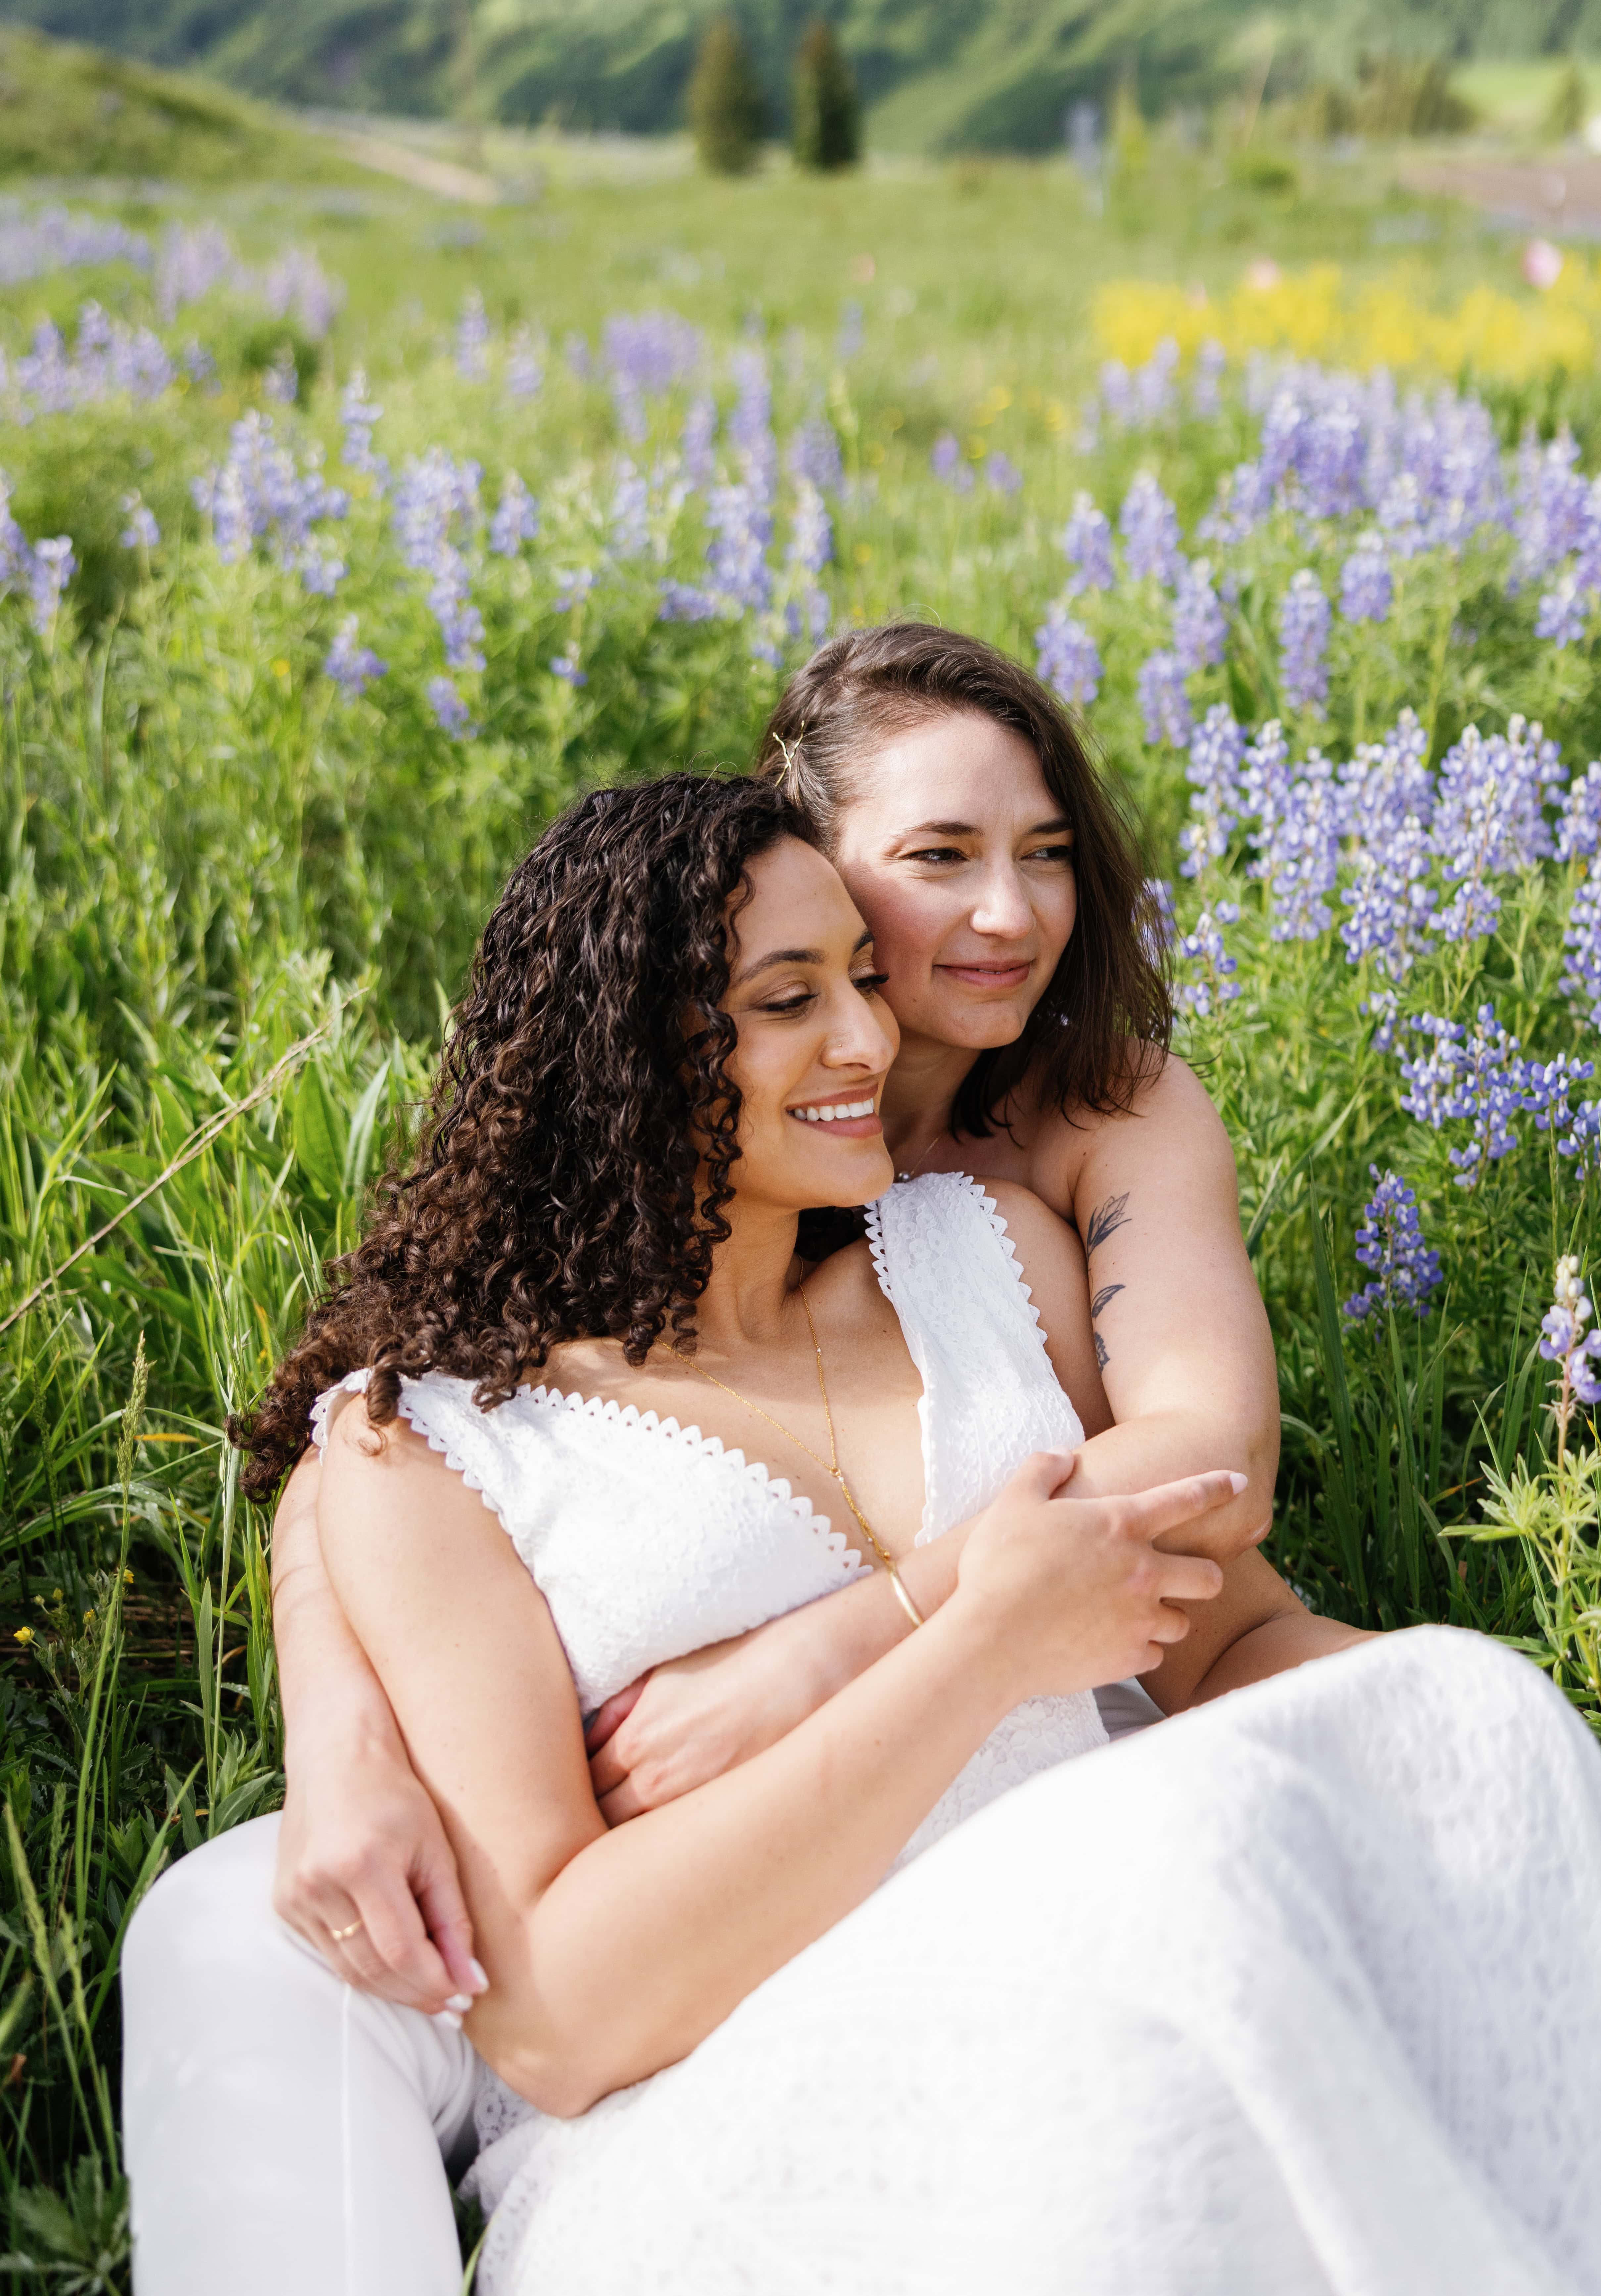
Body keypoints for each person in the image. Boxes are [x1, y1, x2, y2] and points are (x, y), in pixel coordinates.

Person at [126, 774, 1601, 2296]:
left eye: (864, 971)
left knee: (1457, 1705)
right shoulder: (437, 1447)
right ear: (619, 1053)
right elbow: (562, 2014)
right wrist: (977, 1635)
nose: (868, 1031)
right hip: (720, 2141)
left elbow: (1216, 1644)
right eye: (787, 1001)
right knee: (1178, 1865)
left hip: (1129, 1950)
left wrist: (1469, 1741)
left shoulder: (982, 1257)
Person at [271, 621, 1300, 2012]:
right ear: (799, 856)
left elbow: (1210, 1466)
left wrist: (835, 1638)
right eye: (939, 856)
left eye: (1046, 850)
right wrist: (338, 1735)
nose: (1009, 912)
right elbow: (379, 1443)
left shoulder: (1062, 1150)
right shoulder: (607, 1202)